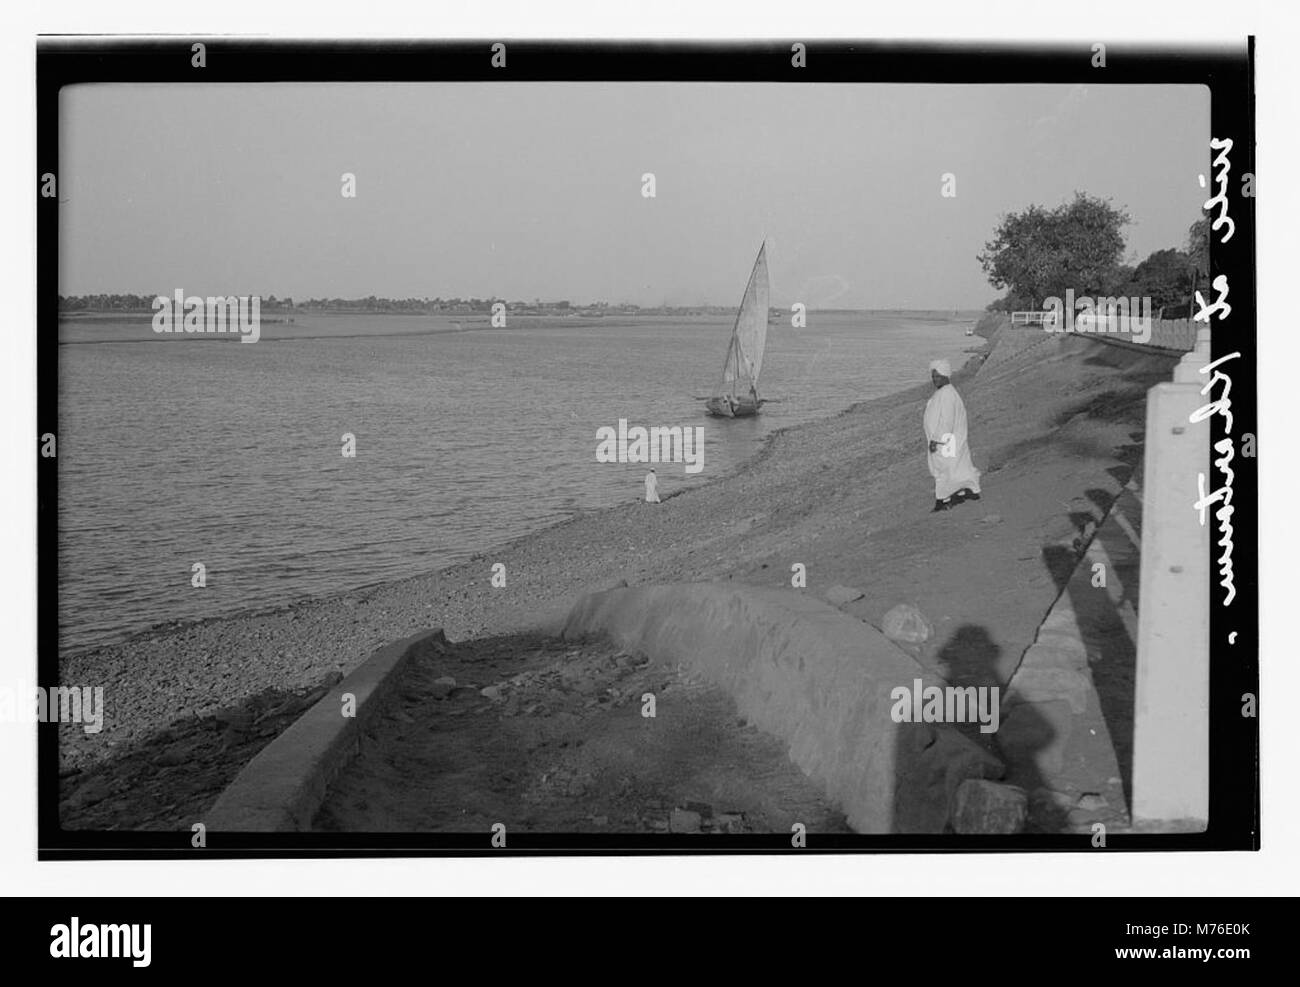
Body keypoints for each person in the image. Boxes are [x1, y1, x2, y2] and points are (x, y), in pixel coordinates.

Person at [923, 358, 981, 512]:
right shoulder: (946, 392)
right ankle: (966, 492)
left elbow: (947, 421)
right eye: (933, 376)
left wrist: (936, 440)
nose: (934, 379)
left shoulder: (947, 395)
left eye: (937, 376)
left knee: (943, 470)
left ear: (945, 375)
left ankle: (942, 501)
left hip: (945, 441)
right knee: (957, 467)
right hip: (950, 440)